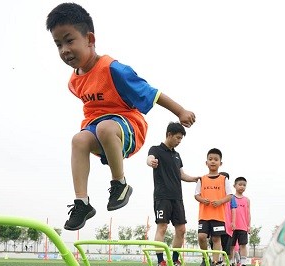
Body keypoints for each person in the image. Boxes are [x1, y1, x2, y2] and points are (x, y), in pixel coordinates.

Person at [46, 3, 196, 231]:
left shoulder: (113, 69)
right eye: (58, 44)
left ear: (90, 39)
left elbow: (151, 93)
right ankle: (82, 203)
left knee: (106, 127)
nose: (64, 50)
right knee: (78, 139)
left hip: (129, 127)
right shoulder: (74, 82)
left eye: (69, 41)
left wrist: (180, 111)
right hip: (99, 131)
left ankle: (120, 184)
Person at [147, 122, 199, 266]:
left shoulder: (177, 155)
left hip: (177, 198)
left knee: (181, 229)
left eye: (181, 138)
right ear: (169, 134)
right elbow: (149, 158)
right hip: (162, 196)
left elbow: (182, 175)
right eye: (178, 137)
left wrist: (195, 178)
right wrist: (151, 162)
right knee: (162, 227)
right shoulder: (156, 149)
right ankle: (160, 261)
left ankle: (175, 260)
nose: (179, 141)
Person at [194, 148, 233, 266]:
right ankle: (205, 259)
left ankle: (215, 263)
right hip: (204, 215)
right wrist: (202, 200)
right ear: (206, 162)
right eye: (210, 159)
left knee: (216, 238)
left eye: (216, 159)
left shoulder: (224, 179)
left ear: (220, 163)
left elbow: (230, 195)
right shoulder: (202, 179)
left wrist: (220, 201)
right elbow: (196, 195)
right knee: (201, 236)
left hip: (218, 216)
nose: (213, 161)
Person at [230, 176, 251, 266]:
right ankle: (231, 262)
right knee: (231, 246)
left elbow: (248, 213)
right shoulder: (231, 198)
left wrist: (248, 226)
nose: (242, 187)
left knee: (243, 245)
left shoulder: (247, 200)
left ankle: (243, 263)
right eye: (240, 184)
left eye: (244, 185)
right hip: (232, 227)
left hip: (243, 227)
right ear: (234, 186)